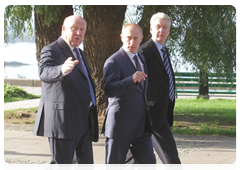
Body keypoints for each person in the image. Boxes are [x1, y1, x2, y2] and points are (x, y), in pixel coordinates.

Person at [33, 15, 98, 170]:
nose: (78, 32)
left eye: (82, 29)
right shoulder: (51, 49)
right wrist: (61, 69)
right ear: (63, 29)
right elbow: (44, 72)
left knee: (85, 166)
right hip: (63, 121)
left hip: (84, 119)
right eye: (74, 28)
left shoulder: (80, 53)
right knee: (60, 166)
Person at [124, 12, 183, 170]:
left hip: (160, 111)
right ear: (151, 29)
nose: (161, 31)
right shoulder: (144, 52)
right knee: (170, 152)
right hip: (151, 113)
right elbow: (137, 83)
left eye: (165, 27)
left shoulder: (163, 51)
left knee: (135, 155)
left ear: (169, 31)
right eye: (158, 27)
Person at [101, 23, 156, 170]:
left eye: (135, 38)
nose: (132, 43)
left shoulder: (141, 59)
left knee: (149, 164)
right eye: (128, 38)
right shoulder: (113, 61)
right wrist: (130, 80)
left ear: (141, 39)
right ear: (121, 38)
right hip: (120, 125)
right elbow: (109, 89)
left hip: (141, 126)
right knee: (114, 166)